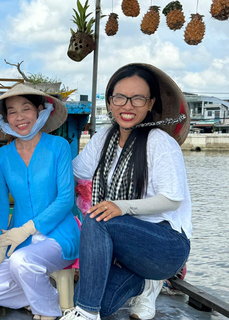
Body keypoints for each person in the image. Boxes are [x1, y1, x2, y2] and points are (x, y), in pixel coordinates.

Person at [61, 63, 192, 320]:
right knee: (104, 303)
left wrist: (122, 206)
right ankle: (144, 284)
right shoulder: (103, 138)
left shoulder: (159, 142)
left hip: (165, 246)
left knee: (98, 218)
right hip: (126, 249)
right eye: (120, 97)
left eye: (138, 98)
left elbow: (172, 200)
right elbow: (73, 173)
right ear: (110, 102)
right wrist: (44, 152)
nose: (127, 106)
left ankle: (85, 313)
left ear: (150, 103)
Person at [0, 84, 80, 320]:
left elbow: (65, 199)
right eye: (12, 111)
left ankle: (47, 309)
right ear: (4, 118)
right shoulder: (2, 156)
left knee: (23, 261)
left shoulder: (58, 147)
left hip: (60, 236)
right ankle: (41, 294)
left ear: (41, 111)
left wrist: (28, 229)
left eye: (26, 108)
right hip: (16, 241)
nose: (19, 117)